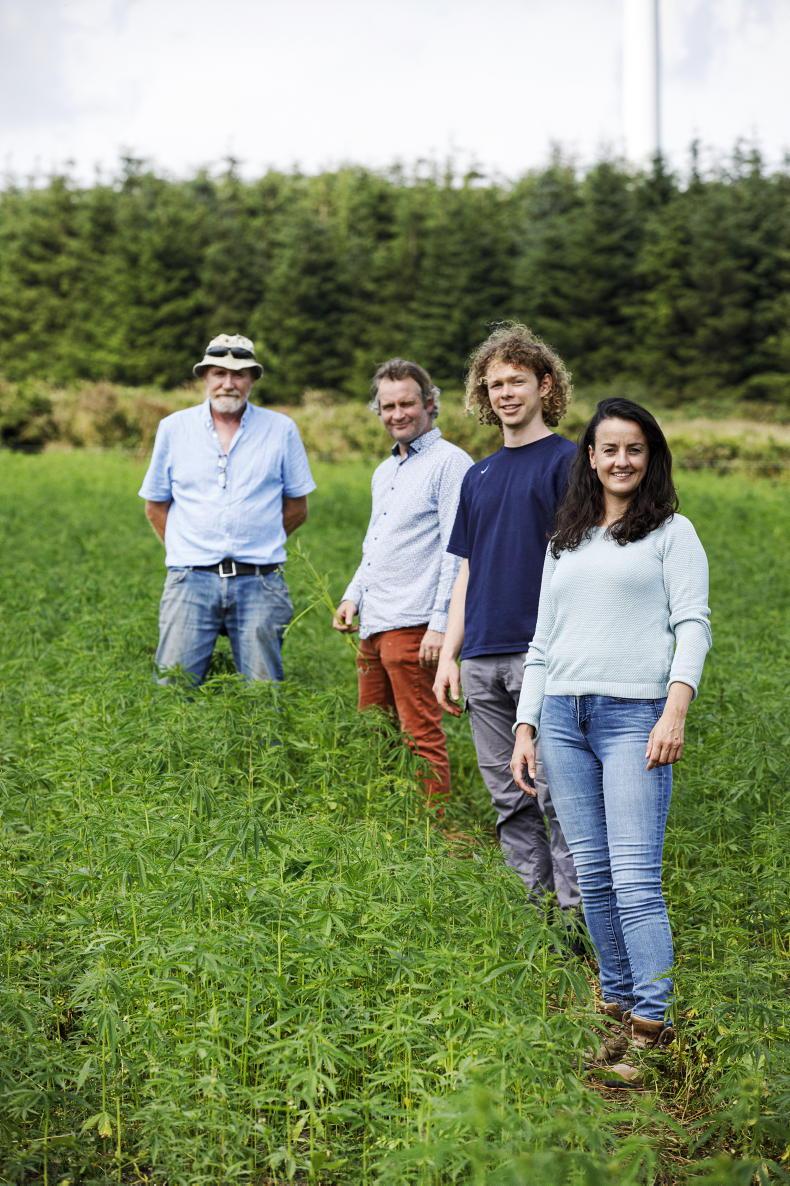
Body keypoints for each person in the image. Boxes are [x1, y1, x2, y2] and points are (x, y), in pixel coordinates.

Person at [509, 397, 712, 1086]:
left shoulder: (672, 533)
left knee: (634, 879)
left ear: (650, 458)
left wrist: (674, 711)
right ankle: (618, 1007)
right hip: (563, 718)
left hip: (635, 718)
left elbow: (693, 624)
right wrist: (527, 725)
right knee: (593, 877)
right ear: (590, 458)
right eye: (609, 449)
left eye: (634, 449)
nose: (621, 460)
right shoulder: (565, 540)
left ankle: (652, 1029)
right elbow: (542, 642)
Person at [433, 324, 581, 911]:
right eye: (494, 385)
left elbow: (582, 563)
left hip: (540, 655)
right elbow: (467, 571)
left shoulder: (568, 462)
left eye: (516, 381)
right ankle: (535, 916)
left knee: (556, 795)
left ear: (545, 386)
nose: (505, 394)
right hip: (480, 658)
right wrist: (449, 654)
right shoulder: (479, 475)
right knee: (509, 800)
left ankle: (575, 923)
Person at [139, 333, 315, 684]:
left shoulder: (281, 429)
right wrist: (188, 550)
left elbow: (297, 507)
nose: (228, 384)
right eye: (219, 373)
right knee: (174, 687)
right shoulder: (174, 428)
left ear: (253, 379)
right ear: (205, 377)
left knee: (263, 690)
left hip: (260, 581)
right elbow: (155, 506)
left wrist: (258, 540)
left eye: (239, 375)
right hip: (190, 580)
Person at [333, 358, 472, 801]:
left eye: (407, 403)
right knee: (376, 729)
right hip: (374, 622)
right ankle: (387, 819)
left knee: (419, 733)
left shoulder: (451, 463)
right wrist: (352, 595)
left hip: (414, 623)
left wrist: (440, 626)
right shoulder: (385, 471)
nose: (398, 414)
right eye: (388, 406)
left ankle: (432, 824)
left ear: (430, 403)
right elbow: (376, 543)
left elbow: (457, 550)